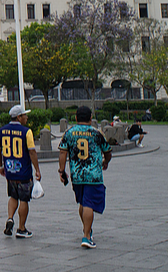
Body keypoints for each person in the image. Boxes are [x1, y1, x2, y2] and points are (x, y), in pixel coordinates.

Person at [58, 106, 112, 249]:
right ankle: (87, 236)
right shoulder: (96, 133)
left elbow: (63, 152)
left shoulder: (69, 133)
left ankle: (86, 229)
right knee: (89, 204)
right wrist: (105, 161)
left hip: (77, 175)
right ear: (90, 118)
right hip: (93, 175)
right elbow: (108, 150)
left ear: (76, 118)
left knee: (82, 202)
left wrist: (62, 171)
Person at [0, 105, 41, 239]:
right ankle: (21, 228)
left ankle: (10, 218)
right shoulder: (26, 131)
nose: (26, 117)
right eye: (24, 115)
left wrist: (1, 165)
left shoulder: (2, 131)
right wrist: (37, 169)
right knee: (24, 199)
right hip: (24, 171)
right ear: (19, 117)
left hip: (10, 169)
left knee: (13, 196)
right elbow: (32, 151)